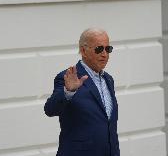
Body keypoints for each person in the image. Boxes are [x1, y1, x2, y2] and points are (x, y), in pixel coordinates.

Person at [44, 27, 120, 156]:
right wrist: (68, 91)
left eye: (108, 49)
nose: (104, 54)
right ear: (84, 51)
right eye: (99, 49)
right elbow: (50, 109)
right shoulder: (68, 77)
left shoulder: (108, 79)